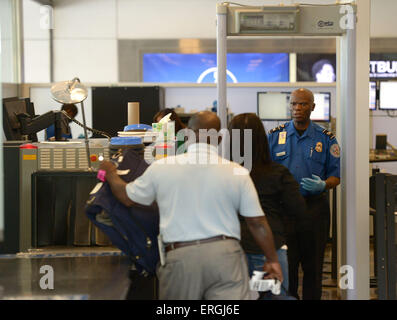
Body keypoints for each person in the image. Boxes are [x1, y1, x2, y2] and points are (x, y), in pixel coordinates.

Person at [100, 111, 283, 300]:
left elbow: (127, 197)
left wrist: (111, 172)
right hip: (226, 256)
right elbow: (257, 222)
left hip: (181, 258)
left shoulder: (162, 167)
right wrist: (272, 260)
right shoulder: (237, 172)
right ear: (219, 138)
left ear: (186, 135)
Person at [267, 88, 341, 300]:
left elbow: (336, 176)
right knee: (287, 269)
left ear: (313, 107)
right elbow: (265, 172)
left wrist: (323, 185)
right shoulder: (274, 137)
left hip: (314, 211)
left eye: (303, 104)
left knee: (314, 269)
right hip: (284, 211)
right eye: (294, 104)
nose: (297, 109)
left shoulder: (326, 139)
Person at [229, 113, 306, 298]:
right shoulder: (277, 173)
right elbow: (299, 209)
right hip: (269, 250)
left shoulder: (224, 172)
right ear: (263, 139)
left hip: (231, 251)